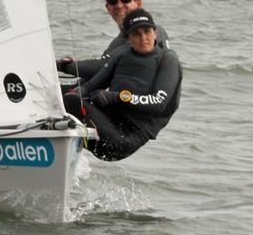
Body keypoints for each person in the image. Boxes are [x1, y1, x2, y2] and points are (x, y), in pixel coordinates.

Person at [63, 9, 182, 161]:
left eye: (147, 31)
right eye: (136, 34)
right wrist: (65, 72)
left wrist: (116, 97)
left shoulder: (167, 59)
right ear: (129, 38)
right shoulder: (121, 55)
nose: (143, 38)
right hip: (106, 122)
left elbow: (159, 102)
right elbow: (91, 85)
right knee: (63, 97)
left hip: (123, 139)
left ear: (155, 33)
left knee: (70, 102)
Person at [57, 0, 170, 81]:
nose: (119, 5)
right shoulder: (118, 43)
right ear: (107, 8)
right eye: (113, 1)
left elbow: (102, 66)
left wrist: (61, 66)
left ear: (138, 3)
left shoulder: (154, 33)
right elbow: (96, 77)